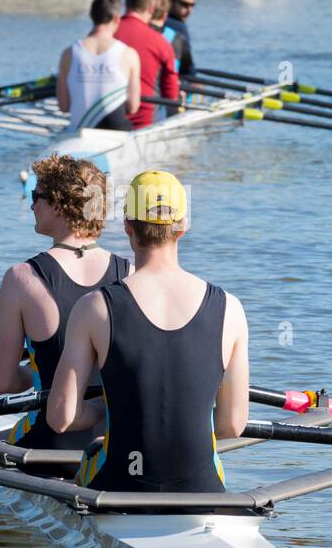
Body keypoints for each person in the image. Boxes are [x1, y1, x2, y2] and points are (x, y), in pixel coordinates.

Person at [46, 169, 249, 493]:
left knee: (95, 452)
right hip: (202, 490)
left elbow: (61, 418)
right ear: (183, 227)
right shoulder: (231, 309)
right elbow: (232, 425)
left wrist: (104, 408)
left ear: (127, 226)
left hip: (120, 484)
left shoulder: (94, 308)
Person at [0, 154, 130, 452]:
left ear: (58, 205)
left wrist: (35, 371)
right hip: (115, 443)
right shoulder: (130, 274)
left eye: (36, 195)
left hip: (49, 443)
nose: (31, 204)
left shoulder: (21, 279)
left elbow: (0, 382)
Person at [56, 0, 141, 131]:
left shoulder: (68, 53)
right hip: (116, 132)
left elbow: (64, 106)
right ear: (117, 18)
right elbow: (133, 107)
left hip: (80, 132)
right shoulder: (129, 54)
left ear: (92, 16)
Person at [116, 0, 180, 128]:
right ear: (152, 7)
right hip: (141, 123)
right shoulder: (161, 42)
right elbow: (171, 96)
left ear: (126, 3)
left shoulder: (105, 33)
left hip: (102, 119)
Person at [163, 0, 197, 78]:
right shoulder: (179, 27)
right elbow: (188, 67)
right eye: (184, 5)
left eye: (192, 5)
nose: (190, 10)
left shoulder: (151, 20)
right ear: (168, 3)